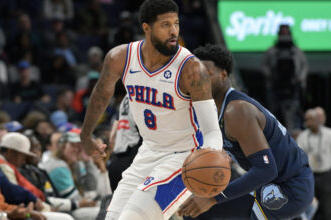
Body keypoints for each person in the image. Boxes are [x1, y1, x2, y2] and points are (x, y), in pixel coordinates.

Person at [80, 0, 223, 219]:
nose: (173, 30)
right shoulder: (120, 58)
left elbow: (212, 130)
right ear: (146, 28)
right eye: (165, 25)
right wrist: (86, 134)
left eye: (176, 23)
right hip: (148, 152)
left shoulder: (192, 69)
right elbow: (101, 94)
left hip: (185, 157)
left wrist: (210, 159)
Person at [177, 44, 314, 219]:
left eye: (206, 74)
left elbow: (266, 170)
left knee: (201, 211)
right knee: (194, 203)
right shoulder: (212, 111)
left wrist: (214, 198)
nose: (199, 80)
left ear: (223, 74)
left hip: (289, 187)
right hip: (266, 183)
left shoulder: (236, 110)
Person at [297, 108, 331, 220]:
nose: (308, 122)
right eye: (306, 120)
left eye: (311, 119)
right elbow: (299, 159)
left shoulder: (330, 134)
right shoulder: (302, 137)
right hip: (310, 176)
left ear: (317, 120)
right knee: (310, 209)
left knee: (328, 210)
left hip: (327, 176)